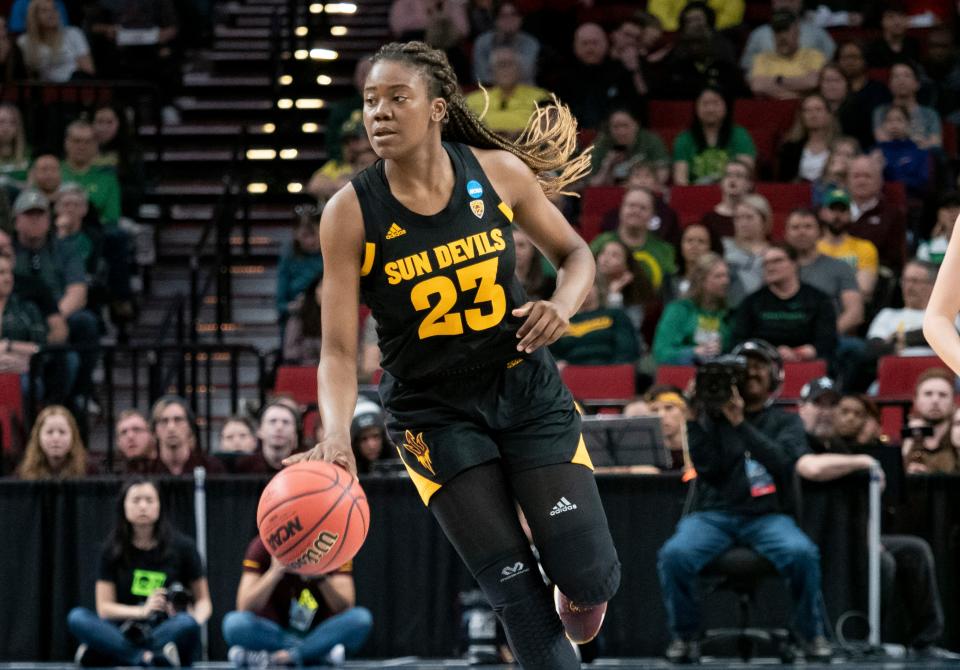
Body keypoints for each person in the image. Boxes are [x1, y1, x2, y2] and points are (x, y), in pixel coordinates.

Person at [281, 41, 621, 670]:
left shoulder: (497, 174)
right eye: (369, 101)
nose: (378, 113)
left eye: (396, 98)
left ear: (438, 109)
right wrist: (334, 434)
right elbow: (334, 350)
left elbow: (577, 256)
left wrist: (562, 307)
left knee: (591, 582)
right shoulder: (348, 212)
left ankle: (570, 576)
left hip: (524, 387)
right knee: (517, 597)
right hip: (432, 411)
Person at [657, 339, 831, 663]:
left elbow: (781, 463)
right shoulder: (711, 418)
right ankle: (686, 637)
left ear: (775, 378)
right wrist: (694, 418)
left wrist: (740, 423)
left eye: (758, 367)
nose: (751, 372)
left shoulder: (786, 422)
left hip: (767, 516)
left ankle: (809, 635)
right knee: (674, 555)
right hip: (714, 515)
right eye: (743, 368)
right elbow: (708, 469)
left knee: (802, 553)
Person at [795, 391, 960, 661]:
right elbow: (811, 469)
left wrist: (871, 537)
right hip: (817, 534)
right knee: (883, 563)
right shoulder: (796, 441)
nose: (827, 413)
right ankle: (869, 638)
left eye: (832, 406)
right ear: (802, 408)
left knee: (914, 551)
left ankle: (925, 640)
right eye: (818, 405)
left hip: (856, 535)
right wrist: (866, 462)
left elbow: (868, 502)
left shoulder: (840, 446)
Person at [67, 477, 211, 667]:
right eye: (136, 500)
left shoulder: (184, 547)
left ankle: (112, 652)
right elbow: (104, 608)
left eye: (150, 500)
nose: (143, 506)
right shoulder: (111, 550)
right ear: (124, 506)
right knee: (77, 617)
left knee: (187, 623)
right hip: (124, 627)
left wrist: (191, 617)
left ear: (160, 505)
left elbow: (204, 602)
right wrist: (143, 611)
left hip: (165, 627)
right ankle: (146, 657)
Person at [222, 532, 373, 668]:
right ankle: (317, 653)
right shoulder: (262, 545)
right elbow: (244, 606)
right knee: (234, 623)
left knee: (361, 618)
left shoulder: (332, 544)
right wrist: (274, 573)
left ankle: (280, 657)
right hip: (274, 632)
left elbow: (345, 606)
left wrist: (320, 577)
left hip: (319, 631)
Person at [731, 243, 837, 363]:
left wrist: (796, 353)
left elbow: (827, 341)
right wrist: (771, 354)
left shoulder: (818, 299)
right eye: (765, 263)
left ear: (794, 264)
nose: (770, 267)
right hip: (763, 364)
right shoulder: (751, 302)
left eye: (777, 261)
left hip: (807, 363)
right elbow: (739, 342)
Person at [783, 208, 863, 338]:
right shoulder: (775, 268)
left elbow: (855, 313)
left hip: (829, 340)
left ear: (820, 232)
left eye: (808, 227)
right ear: (786, 233)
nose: (801, 232)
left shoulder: (840, 267)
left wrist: (825, 336)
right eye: (795, 227)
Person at [590, 188, 676, 293]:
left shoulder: (664, 250)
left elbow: (670, 289)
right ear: (621, 209)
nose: (636, 211)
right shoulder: (601, 243)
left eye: (643, 208)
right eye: (631, 206)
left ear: (652, 215)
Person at [652, 252, 731, 365]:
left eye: (727, 275)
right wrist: (693, 352)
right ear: (701, 280)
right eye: (718, 276)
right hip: (682, 374)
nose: (725, 281)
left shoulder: (728, 313)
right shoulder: (679, 310)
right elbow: (661, 353)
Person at [672, 87, 756, 186]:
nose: (710, 109)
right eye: (705, 104)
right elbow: (680, 181)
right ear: (695, 107)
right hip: (696, 195)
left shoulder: (740, 135)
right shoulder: (684, 139)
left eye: (716, 103)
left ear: (726, 106)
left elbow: (745, 173)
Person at [464, 46, 551, 138]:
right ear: (491, 70)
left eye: (510, 64)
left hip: (526, 146)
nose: (506, 69)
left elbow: (548, 131)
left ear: (519, 69)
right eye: (501, 64)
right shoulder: (471, 100)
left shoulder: (540, 97)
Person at [548, 279, 639, 366]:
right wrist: (557, 363)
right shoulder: (560, 321)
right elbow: (550, 354)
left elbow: (627, 349)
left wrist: (614, 370)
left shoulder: (615, 315)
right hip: (571, 374)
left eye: (588, 284)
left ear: (598, 288)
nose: (583, 289)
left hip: (609, 371)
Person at [740, 0, 835, 74]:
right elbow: (747, 70)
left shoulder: (818, 33)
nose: (785, 3)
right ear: (774, 2)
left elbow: (831, 67)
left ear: (800, 2)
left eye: (791, 0)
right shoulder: (758, 34)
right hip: (766, 95)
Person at [847, 155, 906, 272]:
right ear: (847, 181)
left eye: (867, 176)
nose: (861, 181)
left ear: (880, 181)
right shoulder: (832, 212)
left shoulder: (893, 214)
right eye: (856, 176)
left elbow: (894, 257)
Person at [748, 10, 826, 99]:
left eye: (786, 30)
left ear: (797, 32)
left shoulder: (814, 55)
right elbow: (757, 86)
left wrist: (778, 80)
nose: (782, 37)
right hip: (774, 108)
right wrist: (798, 95)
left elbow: (812, 82)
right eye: (778, 32)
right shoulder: (762, 58)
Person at [816, 189, 879, 299]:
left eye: (842, 210)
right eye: (833, 209)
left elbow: (864, 289)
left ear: (850, 214)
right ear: (823, 213)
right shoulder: (813, 248)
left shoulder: (865, 248)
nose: (837, 215)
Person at [588, 106, 669, 187]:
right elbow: (593, 184)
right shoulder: (600, 144)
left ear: (636, 125)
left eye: (625, 126)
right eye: (616, 127)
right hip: (611, 192)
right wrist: (607, 166)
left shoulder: (651, 141)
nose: (621, 132)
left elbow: (663, 172)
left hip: (645, 190)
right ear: (609, 128)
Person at [18, 0, 94, 82]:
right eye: (44, 11)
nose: (51, 14)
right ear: (34, 16)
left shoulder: (73, 33)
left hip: (74, 86)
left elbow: (88, 70)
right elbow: (27, 77)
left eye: (54, 9)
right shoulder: (24, 41)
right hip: (44, 90)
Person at [150, 395, 225, 476]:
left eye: (178, 420)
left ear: (190, 427)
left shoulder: (212, 468)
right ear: (155, 430)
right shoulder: (147, 471)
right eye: (164, 421)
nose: (171, 427)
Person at [872, 63, 941, 150]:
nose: (901, 81)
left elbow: (935, 143)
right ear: (889, 84)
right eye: (896, 76)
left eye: (907, 76)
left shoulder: (930, 114)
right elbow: (882, 140)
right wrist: (919, 142)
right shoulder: (881, 111)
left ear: (917, 84)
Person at [900, 368, 957, 475]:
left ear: (953, 402)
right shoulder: (905, 438)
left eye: (943, 395)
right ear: (915, 400)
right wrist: (907, 447)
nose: (935, 400)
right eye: (928, 394)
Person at [276, 204, 323, 328]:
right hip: (298, 321)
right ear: (295, 234)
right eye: (305, 236)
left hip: (325, 318)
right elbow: (280, 304)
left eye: (314, 235)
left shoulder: (331, 253)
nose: (310, 241)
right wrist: (295, 306)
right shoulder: (289, 255)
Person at [471, 1, 539, 85]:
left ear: (521, 19)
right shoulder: (482, 42)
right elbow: (481, 75)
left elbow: (526, 74)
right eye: (503, 16)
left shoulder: (530, 43)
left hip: (524, 90)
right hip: (490, 91)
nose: (509, 19)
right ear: (495, 20)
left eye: (513, 14)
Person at [15, 404, 91, 479]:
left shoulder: (88, 472)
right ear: (38, 437)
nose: (56, 438)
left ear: (73, 436)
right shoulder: (23, 474)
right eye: (49, 432)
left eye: (62, 432)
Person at [723, 193, 771, 306]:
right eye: (738, 218)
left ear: (764, 220)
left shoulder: (776, 252)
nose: (743, 223)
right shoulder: (724, 247)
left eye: (749, 217)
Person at [777, 94, 838, 182]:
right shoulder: (790, 148)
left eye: (818, 109)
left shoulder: (840, 146)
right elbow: (784, 181)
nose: (813, 115)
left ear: (828, 114)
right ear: (801, 116)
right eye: (807, 110)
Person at [235, 401, 301, 475]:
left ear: (295, 433)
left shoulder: (303, 466)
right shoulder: (244, 468)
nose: (279, 427)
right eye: (273, 421)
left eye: (286, 422)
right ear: (259, 430)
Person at [700, 159, 753, 240]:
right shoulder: (709, 219)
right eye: (728, 175)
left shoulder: (755, 217)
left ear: (749, 184)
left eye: (739, 176)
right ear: (721, 182)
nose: (733, 180)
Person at [672, 223, 722, 297]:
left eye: (701, 241)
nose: (694, 246)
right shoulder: (669, 281)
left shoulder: (722, 279)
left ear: (711, 247)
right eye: (689, 240)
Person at [351, 399, 389, 474]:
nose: (371, 446)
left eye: (376, 436)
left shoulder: (402, 462)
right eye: (363, 439)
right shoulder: (346, 471)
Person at [114, 409, 157, 474]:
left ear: (152, 435)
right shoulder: (113, 474)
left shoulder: (169, 469)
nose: (130, 436)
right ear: (118, 442)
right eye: (123, 432)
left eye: (137, 429)